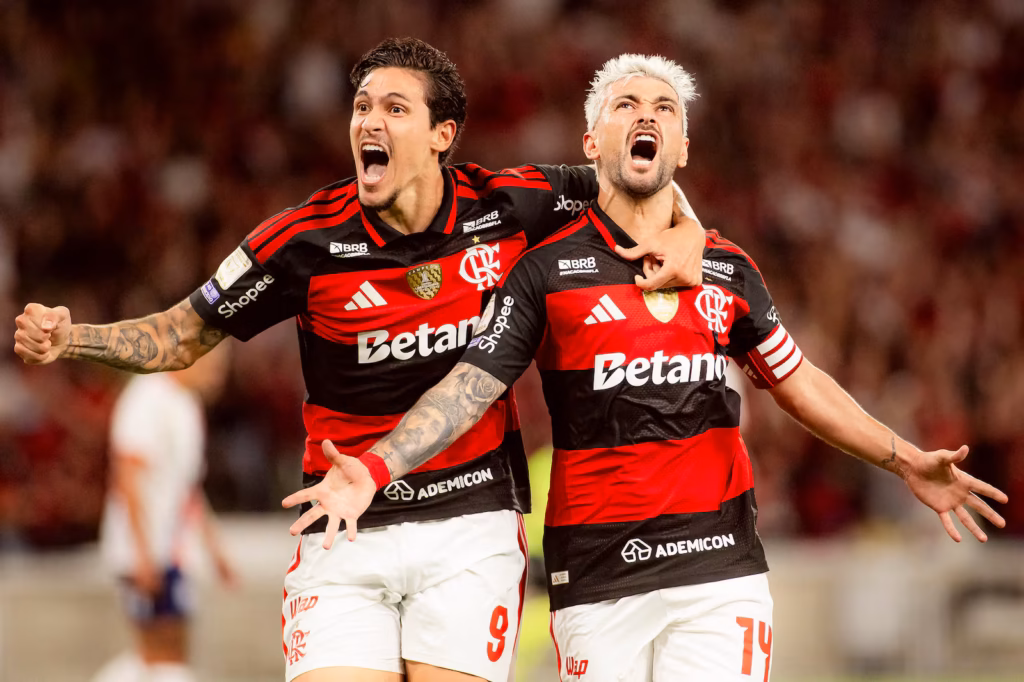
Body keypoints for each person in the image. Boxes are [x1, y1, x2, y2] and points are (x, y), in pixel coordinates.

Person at [284, 54, 1009, 682]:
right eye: (625, 104)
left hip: (718, 569)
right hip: (598, 575)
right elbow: (472, 386)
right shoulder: (543, 273)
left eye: (665, 108)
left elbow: (799, 382)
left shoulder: (727, 269)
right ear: (591, 141)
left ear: (683, 147)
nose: (646, 115)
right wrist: (377, 467)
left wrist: (904, 459)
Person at [13, 38, 706, 682]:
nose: (370, 121)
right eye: (362, 107)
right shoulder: (301, 242)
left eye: (395, 109)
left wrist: (691, 232)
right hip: (343, 524)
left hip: (470, 522)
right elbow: (182, 334)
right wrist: (73, 339)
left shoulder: (510, 205)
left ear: (442, 135)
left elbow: (635, 179)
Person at [91, 345, 235, 682]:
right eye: (213, 366)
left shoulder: (186, 404)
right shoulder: (147, 396)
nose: (218, 376)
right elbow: (128, 475)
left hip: (173, 549)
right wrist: (142, 553)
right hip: (147, 547)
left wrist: (215, 549)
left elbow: (188, 488)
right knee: (161, 647)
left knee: (169, 645)